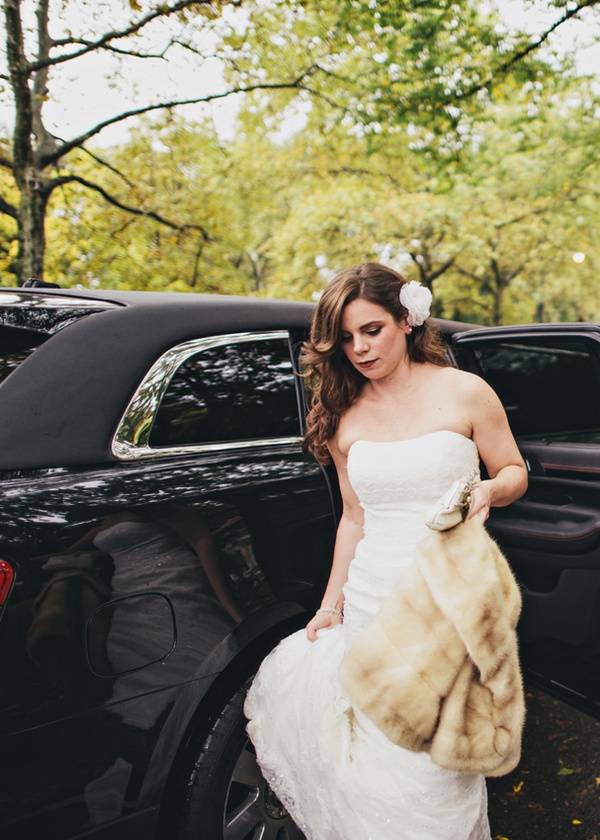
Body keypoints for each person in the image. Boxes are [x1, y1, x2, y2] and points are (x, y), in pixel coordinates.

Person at [244, 262, 528, 839]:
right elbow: (353, 518)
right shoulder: (343, 416)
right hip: (374, 599)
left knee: (437, 759)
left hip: (449, 597)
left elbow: (515, 470)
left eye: (371, 330)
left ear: (406, 319)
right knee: (380, 756)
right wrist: (331, 606)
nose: (358, 348)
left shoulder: (466, 391)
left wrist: (490, 490)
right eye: (346, 338)